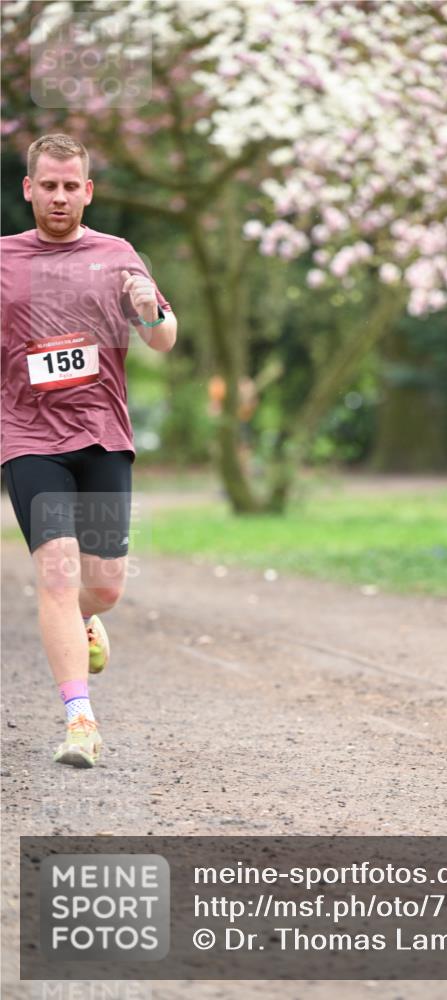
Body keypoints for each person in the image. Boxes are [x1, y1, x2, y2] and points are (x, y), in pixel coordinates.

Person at [1, 134, 177, 768]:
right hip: (27, 437)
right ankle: (79, 721)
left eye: (71, 186)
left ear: (88, 191)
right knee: (55, 571)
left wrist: (149, 311)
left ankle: (88, 620)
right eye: (48, 185)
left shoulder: (117, 254)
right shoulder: (4, 259)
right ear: (29, 188)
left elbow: (163, 339)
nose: (59, 196)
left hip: (102, 433)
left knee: (102, 587)